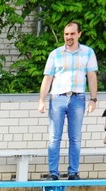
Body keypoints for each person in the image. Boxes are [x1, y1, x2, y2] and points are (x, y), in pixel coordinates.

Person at [37, 22, 99, 181]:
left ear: (79, 34)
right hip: (57, 98)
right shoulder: (55, 54)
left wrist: (93, 99)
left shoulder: (88, 52)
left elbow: (92, 76)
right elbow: (47, 78)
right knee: (54, 138)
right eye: (66, 34)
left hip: (78, 98)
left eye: (72, 34)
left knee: (75, 137)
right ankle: (53, 173)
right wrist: (41, 100)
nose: (69, 37)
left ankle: (73, 172)